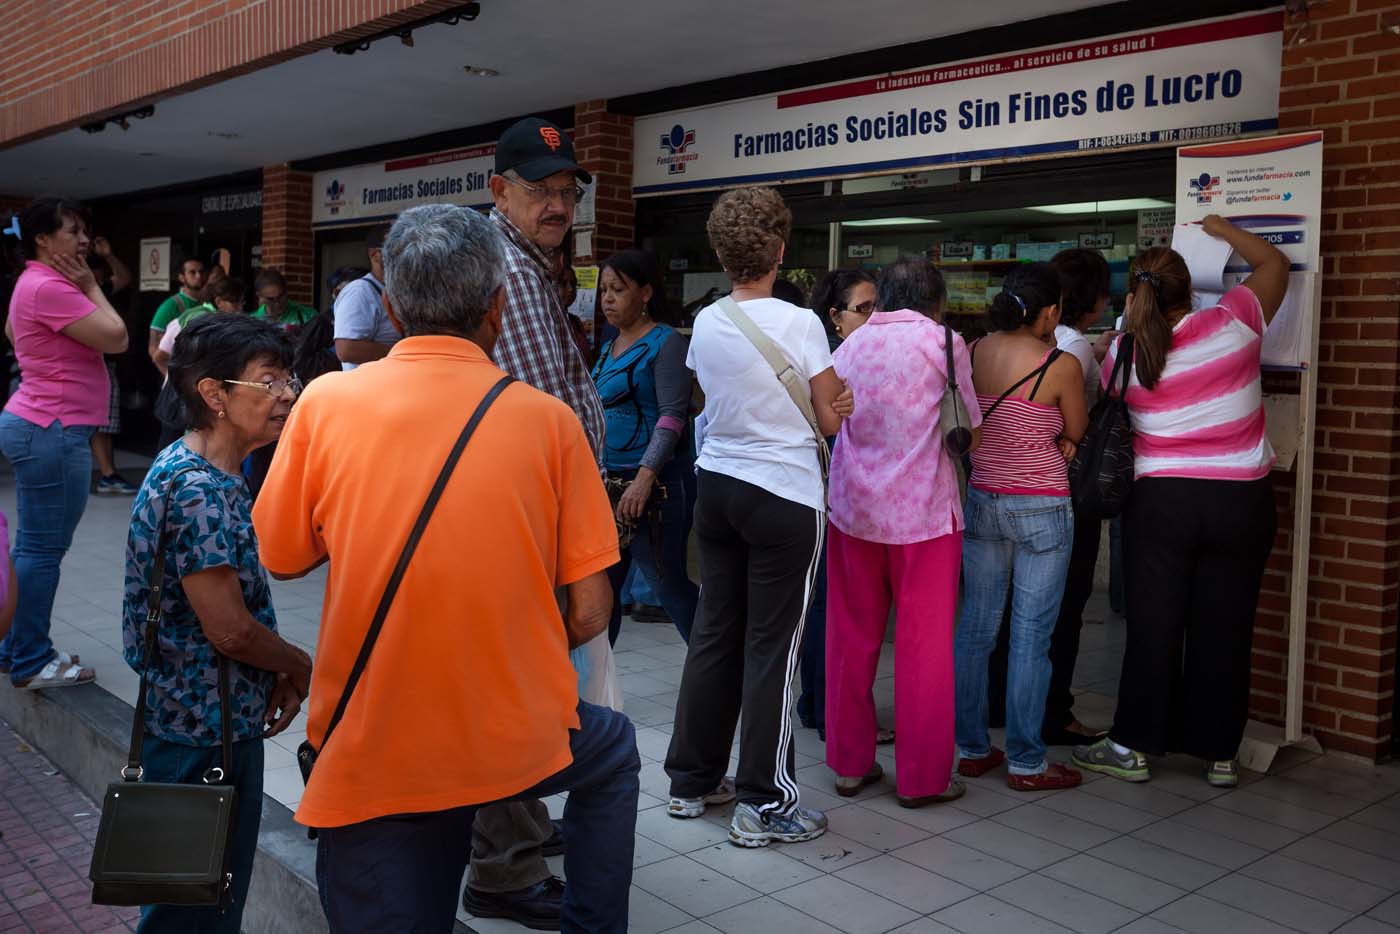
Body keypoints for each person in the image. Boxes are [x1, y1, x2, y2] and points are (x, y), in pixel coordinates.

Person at [254, 204, 638, 933]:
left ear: (392, 305)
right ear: (498, 305)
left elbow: (282, 555)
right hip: (516, 735)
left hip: (376, 744)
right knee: (612, 752)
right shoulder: (550, 422)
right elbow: (589, 613)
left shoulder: (326, 404)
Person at [665, 186, 853, 846]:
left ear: (720, 253)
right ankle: (764, 802)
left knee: (716, 631)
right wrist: (839, 404)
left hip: (718, 487)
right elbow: (829, 416)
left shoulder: (709, 321)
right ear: (780, 250)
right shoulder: (801, 324)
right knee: (774, 645)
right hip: (784, 493)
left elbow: (708, 394)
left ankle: (691, 782)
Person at [1074, 216, 1287, 789]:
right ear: (1189, 289)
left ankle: (1134, 746)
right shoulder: (1235, 322)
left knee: (1153, 623)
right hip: (1241, 501)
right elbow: (1274, 265)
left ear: (1133, 295)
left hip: (1161, 501)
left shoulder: (1122, 352)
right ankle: (1220, 754)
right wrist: (1224, 229)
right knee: (1228, 624)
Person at [123, 313, 311, 933]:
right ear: (214, 395)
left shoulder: (211, 472)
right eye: (269, 381)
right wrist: (297, 663)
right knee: (192, 912)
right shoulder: (196, 489)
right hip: (201, 737)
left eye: (290, 378)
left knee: (196, 903)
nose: (288, 395)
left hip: (211, 724)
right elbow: (229, 630)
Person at [472, 114, 608, 927]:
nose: (558, 205)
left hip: (535, 515)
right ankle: (504, 869)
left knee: (522, 688)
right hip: (528, 520)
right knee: (515, 691)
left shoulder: (527, 264)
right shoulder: (506, 271)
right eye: (540, 191)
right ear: (499, 191)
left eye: (566, 192)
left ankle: (514, 831)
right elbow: (533, 410)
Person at [826, 257, 981, 806]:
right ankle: (921, 778)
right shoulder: (944, 343)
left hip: (853, 511)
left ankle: (848, 764)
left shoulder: (851, 344)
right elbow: (970, 424)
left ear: (886, 296)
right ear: (935, 299)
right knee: (924, 647)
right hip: (925, 516)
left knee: (850, 638)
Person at [953, 261, 1087, 791]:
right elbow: (1074, 428)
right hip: (1042, 506)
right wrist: (1061, 440)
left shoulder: (976, 350)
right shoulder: (1061, 364)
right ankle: (1028, 762)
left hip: (983, 497)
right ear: (1051, 311)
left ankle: (971, 748)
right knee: (1031, 636)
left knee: (976, 629)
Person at [0, 198, 127, 689]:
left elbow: (13, 332)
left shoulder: (30, 283)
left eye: (85, 232)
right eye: (72, 232)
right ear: (41, 239)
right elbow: (116, 337)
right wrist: (92, 286)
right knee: (41, 550)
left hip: (40, 423)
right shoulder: (52, 286)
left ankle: (14, 647)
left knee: (33, 547)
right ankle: (31, 659)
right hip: (52, 428)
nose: (82, 241)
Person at [590, 249, 697, 644]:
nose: (608, 299)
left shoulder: (666, 343)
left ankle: (718, 676)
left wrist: (643, 478)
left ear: (647, 292)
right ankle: (598, 691)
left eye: (618, 289)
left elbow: (672, 416)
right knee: (602, 595)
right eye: (604, 290)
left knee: (669, 588)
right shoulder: (608, 344)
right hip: (609, 486)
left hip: (652, 490)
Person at [797, 268, 876, 740]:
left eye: (877, 306)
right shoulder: (832, 361)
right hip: (830, 495)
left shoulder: (862, 355)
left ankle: (817, 704)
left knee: (826, 604)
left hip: (846, 495)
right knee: (828, 605)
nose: (875, 316)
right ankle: (826, 708)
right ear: (836, 316)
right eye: (864, 308)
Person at [86, 238, 137, 495]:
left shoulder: (101, 288)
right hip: (89, 365)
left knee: (107, 422)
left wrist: (109, 254)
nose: (98, 279)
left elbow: (125, 277)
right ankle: (107, 474)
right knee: (100, 423)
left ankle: (110, 472)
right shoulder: (74, 293)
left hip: (106, 363)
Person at [332, 225, 397, 369]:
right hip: (368, 389)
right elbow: (346, 349)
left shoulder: (394, 291)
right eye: (396, 249)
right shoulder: (360, 292)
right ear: (375, 254)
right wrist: (400, 354)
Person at [147, 256, 205, 374]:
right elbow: (153, 349)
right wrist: (170, 379)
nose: (198, 276)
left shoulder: (208, 303)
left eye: (201, 272)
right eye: (192, 272)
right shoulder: (170, 306)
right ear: (181, 277)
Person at [251, 267, 316, 328]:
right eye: (271, 299)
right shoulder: (252, 321)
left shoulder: (308, 316)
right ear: (260, 296)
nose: (277, 304)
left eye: (280, 297)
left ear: (286, 291)